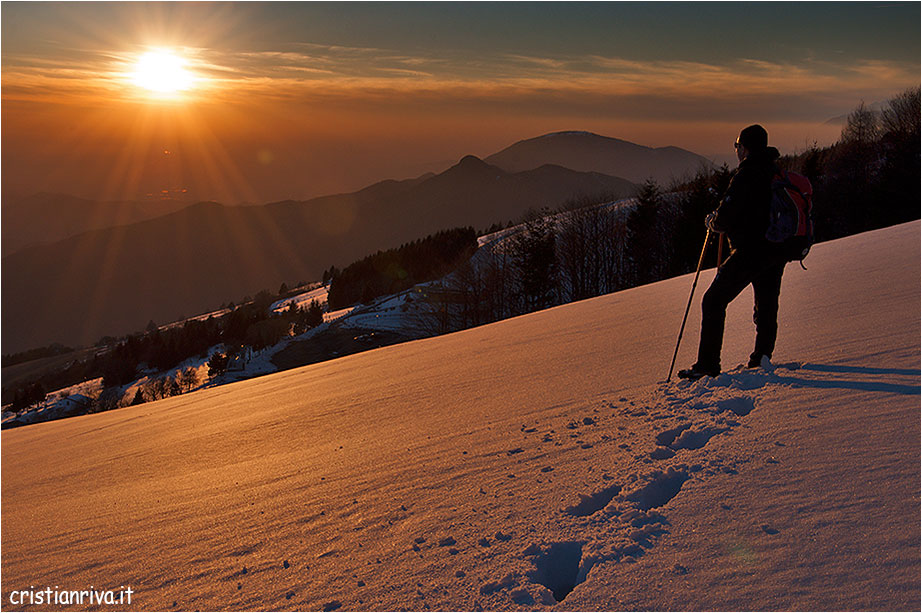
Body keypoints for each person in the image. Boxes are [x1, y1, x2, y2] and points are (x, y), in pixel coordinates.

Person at [678, 124, 787, 380]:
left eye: (737, 146)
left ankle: (707, 364)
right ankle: (761, 357)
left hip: (750, 250)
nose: (736, 151)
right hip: (776, 249)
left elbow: (726, 216)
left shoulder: (746, 174)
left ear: (745, 147)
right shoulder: (774, 171)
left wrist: (713, 222)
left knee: (713, 300)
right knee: (767, 304)